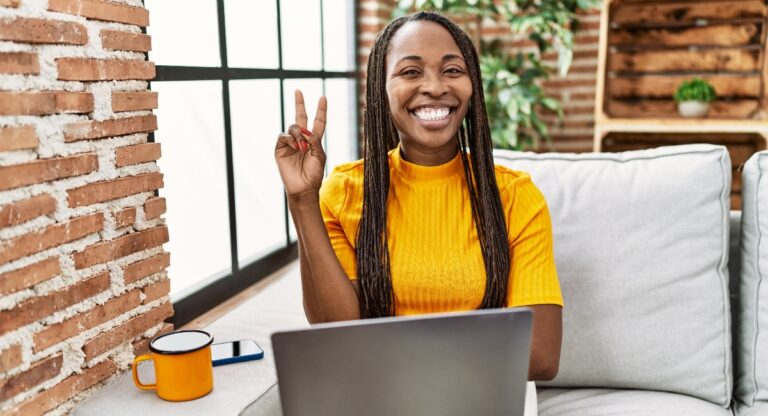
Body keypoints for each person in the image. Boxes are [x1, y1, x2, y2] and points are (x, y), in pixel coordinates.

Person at [274, 11, 563, 381]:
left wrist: (383, 348)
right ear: (382, 88)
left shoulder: (515, 196)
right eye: (411, 72)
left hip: (478, 395)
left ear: (473, 85)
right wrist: (302, 200)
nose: (435, 86)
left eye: (453, 70)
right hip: (380, 397)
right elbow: (337, 334)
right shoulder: (346, 191)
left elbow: (540, 357)